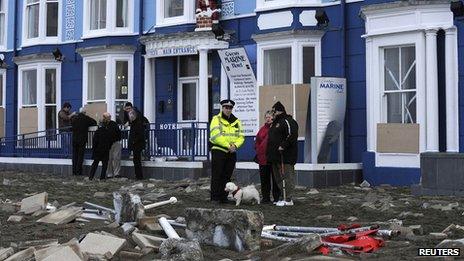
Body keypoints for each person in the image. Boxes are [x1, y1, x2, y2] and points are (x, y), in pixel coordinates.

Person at [209, 99, 244, 203]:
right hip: (219, 150)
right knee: (217, 175)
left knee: (227, 176)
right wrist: (228, 145)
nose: (228, 109)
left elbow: (241, 137)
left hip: (232, 152)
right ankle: (215, 198)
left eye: (230, 108)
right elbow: (215, 136)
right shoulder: (216, 119)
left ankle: (223, 197)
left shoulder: (237, 121)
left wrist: (235, 145)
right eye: (226, 107)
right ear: (222, 108)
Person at [266, 101, 298, 207]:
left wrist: (283, 145)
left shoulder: (288, 121)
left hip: (285, 156)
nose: (272, 114)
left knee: (287, 177)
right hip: (275, 157)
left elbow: (292, 135)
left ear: (279, 111)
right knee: (278, 178)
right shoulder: (275, 124)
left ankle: (288, 198)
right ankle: (282, 196)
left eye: (274, 111)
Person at [255, 110, 280, 204]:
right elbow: (257, 142)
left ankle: (276, 198)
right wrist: (258, 150)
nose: (268, 119)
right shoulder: (262, 129)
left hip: (273, 158)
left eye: (270, 117)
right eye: (266, 117)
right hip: (263, 159)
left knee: (275, 179)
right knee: (264, 180)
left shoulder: (276, 128)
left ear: (273, 118)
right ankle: (266, 198)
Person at [71, 107, 97, 176]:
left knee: (74, 156)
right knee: (80, 156)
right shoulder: (86, 118)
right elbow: (94, 122)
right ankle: (79, 171)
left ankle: (74, 171)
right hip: (82, 140)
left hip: (74, 139)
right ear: (84, 112)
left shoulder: (75, 118)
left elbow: (72, 126)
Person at [128, 110, 146, 180]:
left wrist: (134, 141)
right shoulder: (135, 123)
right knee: (136, 160)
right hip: (136, 145)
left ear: (132, 116)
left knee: (137, 161)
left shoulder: (138, 124)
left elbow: (140, 135)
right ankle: (138, 175)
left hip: (137, 145)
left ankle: (139, 176)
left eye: (129, 116)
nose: (129, 118)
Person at [104, 112, 122, 178]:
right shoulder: (103, 125)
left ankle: (117, 173)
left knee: (116, 158)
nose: (109, 118)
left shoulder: (114, 124)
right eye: (107, 117)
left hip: (115, 142)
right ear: (104, 118)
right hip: (108, 144)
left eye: (109, 117)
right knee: (108, 159)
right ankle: (109, 174)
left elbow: (118, 133)